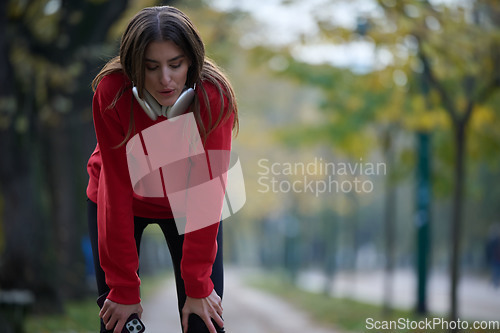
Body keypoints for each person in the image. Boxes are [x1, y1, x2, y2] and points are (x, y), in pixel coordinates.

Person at [86, 6, 238, 333]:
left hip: (190, 203)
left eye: (176, 65)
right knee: (120, 323)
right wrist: (124, 289)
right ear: (132, 68)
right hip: (119, 199)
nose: (165, 80)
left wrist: (198, 286)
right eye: (151, 67)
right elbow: (117, 187)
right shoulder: (111, 93)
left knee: (204, 322)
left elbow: (207, 193)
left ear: (192, 64)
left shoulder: (214, 97)